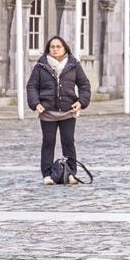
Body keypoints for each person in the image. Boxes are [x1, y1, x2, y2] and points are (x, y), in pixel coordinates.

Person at [26, 35, 91, 185]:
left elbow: (84, 85)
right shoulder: (40, 66)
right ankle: (47, 174)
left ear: (64, 48)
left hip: (68, 111)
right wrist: (36, 103)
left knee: (68, 141)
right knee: (48, 142)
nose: (55, 50)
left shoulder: (74, 65)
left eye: (58, 46)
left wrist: (81, 102)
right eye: (52, 47)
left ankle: (70, 172)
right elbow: (32, 86)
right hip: (47, 112)